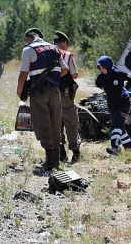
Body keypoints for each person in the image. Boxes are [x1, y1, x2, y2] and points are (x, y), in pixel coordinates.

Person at [16, 28, 68, 171]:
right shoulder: (55, 49)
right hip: (55, 90)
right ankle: (56, 161)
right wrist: (52, 78)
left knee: (42, 124)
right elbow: (64, 70)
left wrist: (20, 91)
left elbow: (23, 74)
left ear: (28, 38)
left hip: (38, 92)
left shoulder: (29, 49)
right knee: (56, 124)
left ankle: (50, 161)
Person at [95, 55, 131, 155]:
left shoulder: (117, 73)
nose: (101, 69)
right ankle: (129, 147)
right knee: (120, 126)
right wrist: (105, 89)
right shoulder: (101, 77)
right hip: (112, 104)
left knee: (116, 125)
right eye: (99, 67)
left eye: (102, 67)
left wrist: (126, 88)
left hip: (123, 102)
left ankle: (115, 147)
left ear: (107, 66)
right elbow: (97, 83)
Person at [53, 31, 81, 163]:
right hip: (65, 95)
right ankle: (75, 151)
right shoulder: (67, 55)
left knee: (56, 123)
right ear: (64, 43)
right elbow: (74, 75)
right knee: (71, 122)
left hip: (50, 95)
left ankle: (61, 152)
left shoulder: (46, 53)